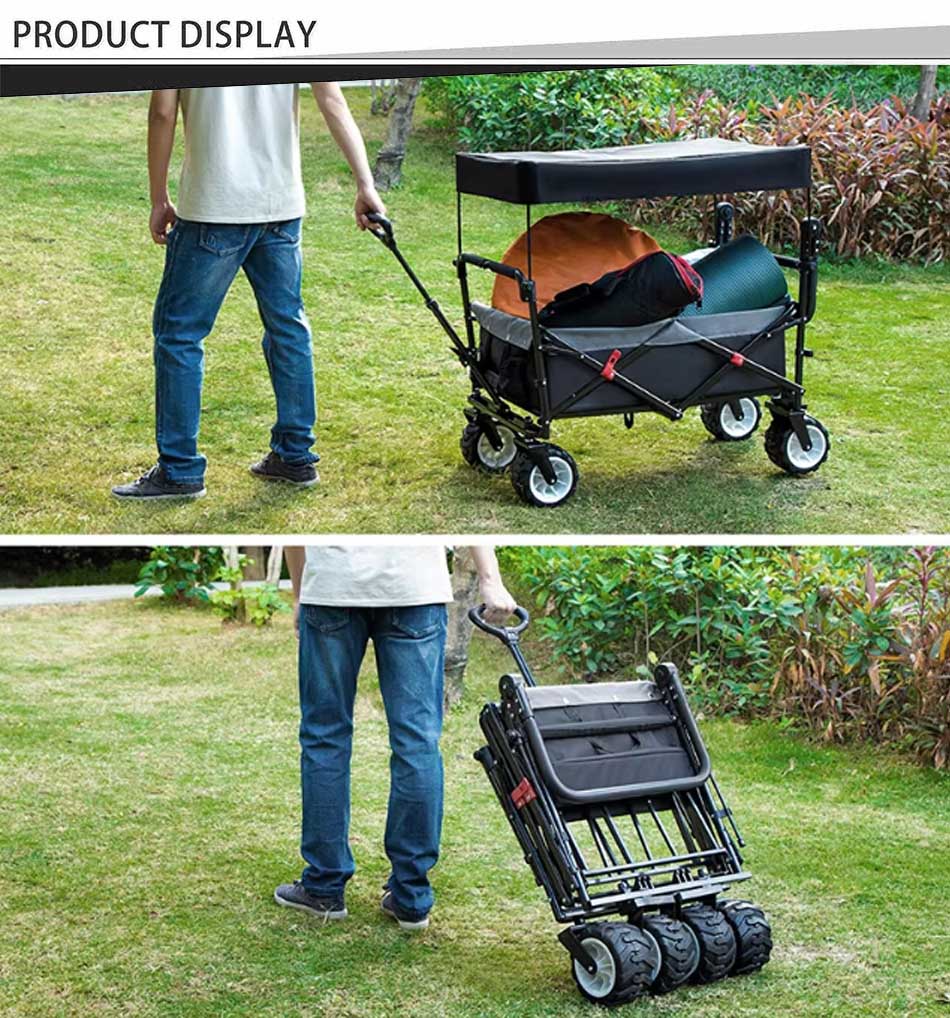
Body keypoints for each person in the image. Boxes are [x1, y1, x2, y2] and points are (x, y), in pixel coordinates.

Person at [112, 84, 385, 501]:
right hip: (281, 206)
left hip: (214, 206)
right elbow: (332, 100)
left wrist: (158, 198)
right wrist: (365, 183)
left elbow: (163, 112)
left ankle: (180, 470)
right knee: (287, 328)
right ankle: (294, 456)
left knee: (179, 335)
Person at [275, 545, 516, 931]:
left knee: (325, 738)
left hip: (333, 586)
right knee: (417, 743)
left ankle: (323, 887)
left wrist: (303, 593)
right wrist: (490, 578)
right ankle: (411, 897)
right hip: (414, 587)